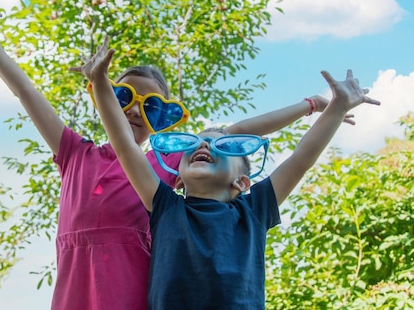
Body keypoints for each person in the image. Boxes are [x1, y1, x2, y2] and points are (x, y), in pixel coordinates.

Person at [0, 13, 354, 310]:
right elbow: (29, 95)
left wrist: (315, 105)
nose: (136, 111)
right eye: (126, 98)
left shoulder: (170, 168)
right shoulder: (77, 154)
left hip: (133, 288)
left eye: (152, 106)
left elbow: (243, 135)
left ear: (164, 121)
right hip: (78, 288)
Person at [83, 35, 380, 310]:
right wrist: (99, 83)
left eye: (218, 145)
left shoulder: (253, 210)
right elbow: (124, 146)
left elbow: (302, 158)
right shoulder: (165, 206)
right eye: (197, 144)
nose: (204, 146)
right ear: (180, 177)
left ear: (242, 181)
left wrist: (337, 107)